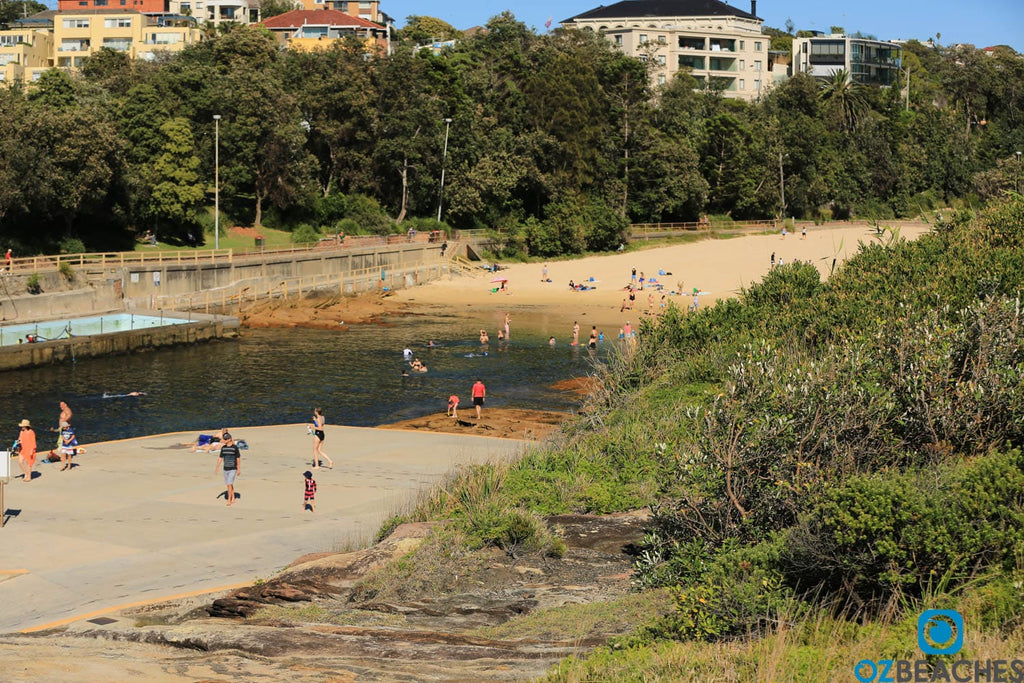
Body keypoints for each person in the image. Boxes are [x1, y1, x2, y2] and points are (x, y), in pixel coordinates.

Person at [214, 432, 241, 506]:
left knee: (229, 484)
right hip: (225, 469)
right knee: (229, 484)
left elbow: (238, 459)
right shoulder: (223, 448)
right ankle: (233, 497)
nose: (224, 440)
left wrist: (238, 469)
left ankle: (229, 500)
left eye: (225, 439)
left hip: (233, 468)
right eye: (224, 439)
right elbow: (220, 458)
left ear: (229, 439)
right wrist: (217, 467)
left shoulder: (235, 448)